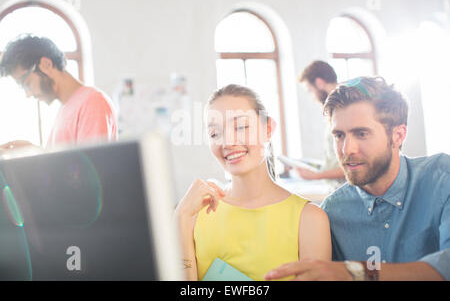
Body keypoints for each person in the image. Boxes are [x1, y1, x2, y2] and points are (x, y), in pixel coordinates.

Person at [265, 76, 449, 281]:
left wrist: (356, 272)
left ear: (398, 135)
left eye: (361, 134)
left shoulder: (442, 178)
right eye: (339, 135)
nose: (347, 150)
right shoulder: (332, 212)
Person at [175, 84, 331, 281]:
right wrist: (180, 217)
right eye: (215, 134)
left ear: (268, 129)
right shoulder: (194, 215)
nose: (227, 142)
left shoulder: (309, 219)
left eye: (240, 127)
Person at [0, 34, 118, 150]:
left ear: (46, 65)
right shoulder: (65, 109)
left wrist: (38, 156)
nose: (28, 94)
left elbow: (92, 166)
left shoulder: (93, 102)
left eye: (27, 84)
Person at [296, 60, 345, 188]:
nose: (313, 97)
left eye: (310, 90)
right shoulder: (333, 109)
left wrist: (316, 176)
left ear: (319, 83)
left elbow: (354, 163)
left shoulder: (344, 109)